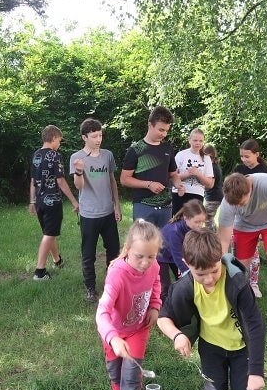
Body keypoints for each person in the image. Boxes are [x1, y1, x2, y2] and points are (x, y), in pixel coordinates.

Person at [157, 228, 266, 390]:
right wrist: (177, 336)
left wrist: (256, 371)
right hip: (211, 349)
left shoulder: (237, 283)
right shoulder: (184, 287)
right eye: (201, 274)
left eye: (214, 271)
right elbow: (163, 318)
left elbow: (255, 325)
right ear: (186, 264)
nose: (209, 279)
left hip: (242, 349)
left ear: (220, 257)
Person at [95, 219, 163, 390]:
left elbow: (156, 282)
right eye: (139, 256)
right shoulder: (117, 275)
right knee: (115, 371)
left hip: (138, 329)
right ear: (127, 249)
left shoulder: (153, 266)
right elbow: (102, 312)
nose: (145, 262)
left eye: (151, 256)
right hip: (114, 331)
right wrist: (113, 338)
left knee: (131, 375)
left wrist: (154, 305)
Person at [218, 172, 267, 333]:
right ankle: (234, 309)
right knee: (238, 269)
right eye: (236, 205)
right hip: (244, 225)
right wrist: (220, 262)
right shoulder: (227, 203)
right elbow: (224, 240)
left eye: (241, 203)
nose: (239, 207)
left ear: (249, 190)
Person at [70, 118, 122, 304]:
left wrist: (117, 206)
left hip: (108, 212)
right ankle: (90, 288)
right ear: (85, 137)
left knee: (114, 252)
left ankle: (112, 284)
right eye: (94, 136)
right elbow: (79, 186)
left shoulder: (107, 155)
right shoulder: (77, 158)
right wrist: (78, 171)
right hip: (89, 214)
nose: (98, 139)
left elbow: (112, 181)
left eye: (100, 135)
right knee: (88, 254)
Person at [120, 106, 185, 228]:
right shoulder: (135, 150)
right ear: (150, 125)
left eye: (166, 130)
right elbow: (124, 179)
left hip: (166, 207)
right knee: (143, 240)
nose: (164, 134)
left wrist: (179, 185)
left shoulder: (167, 148)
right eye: (161, 130)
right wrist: (149, 184)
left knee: (163, 240)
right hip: (143, 205)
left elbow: (173, 174)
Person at [29, 125, 79, 281]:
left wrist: (32, 201)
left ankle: (57, 260)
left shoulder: (35, 155)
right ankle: (40, 272)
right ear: (54, 138)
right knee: (49, 234)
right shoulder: (55, 156)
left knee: (48, 233)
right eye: (59, 141)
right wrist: (74, 201)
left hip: (39, 201)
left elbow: (33, 181)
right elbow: (61, 181)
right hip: (53, 201)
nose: (59, 144)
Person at [233, 139, 267, 298]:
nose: (244, 160)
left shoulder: (264, 171)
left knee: (254, 255)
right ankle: (238, 285)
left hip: (257, 218)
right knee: (238, 254)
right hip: (239, 217)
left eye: (247, 156)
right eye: (242, 156)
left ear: (257, 154)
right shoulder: (238, 169)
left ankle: (254, 284)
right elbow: (232, 191)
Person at [157, 200, 208, 301]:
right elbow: (178, 256)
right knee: (164, 286)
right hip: (160, 256)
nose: (200, 225)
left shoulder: (192, 228)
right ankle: (165, 306)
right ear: (186, 218)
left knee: (182, 281)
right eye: (197, 222)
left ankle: (185, 300)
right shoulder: (174, 231)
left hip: (174, 255)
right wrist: (189, 273)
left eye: (202, 222)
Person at [172, 128, 214, 216]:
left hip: (197, 194)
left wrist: (198, 174)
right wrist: (186, 174)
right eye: (195, 140)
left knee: (194, 221)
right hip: (180, 193)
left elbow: (210, 184)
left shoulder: (206, 158)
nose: (198, 143)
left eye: (201, 141)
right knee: (177, 220)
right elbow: (172, 177)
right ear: (189, 140)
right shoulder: (181, 155)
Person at [203, 143, 224, 225]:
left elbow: (210, 184)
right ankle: (213, 232)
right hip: (214, 196)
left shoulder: (212, 167)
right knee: (209, 219)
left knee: (207, 219)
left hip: (213, 197)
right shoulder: (214, 165)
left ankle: (211, 233)